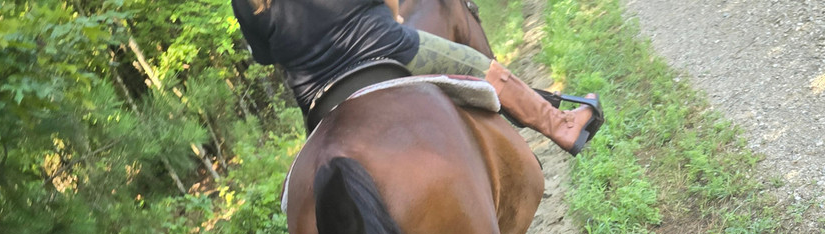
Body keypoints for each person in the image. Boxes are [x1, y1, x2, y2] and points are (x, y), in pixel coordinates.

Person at [231, 0, 602, 155]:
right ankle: (561, 125)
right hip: (386, 49)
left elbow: (267, 57)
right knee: (485, 68)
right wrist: (393, 17)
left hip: (317, 98)